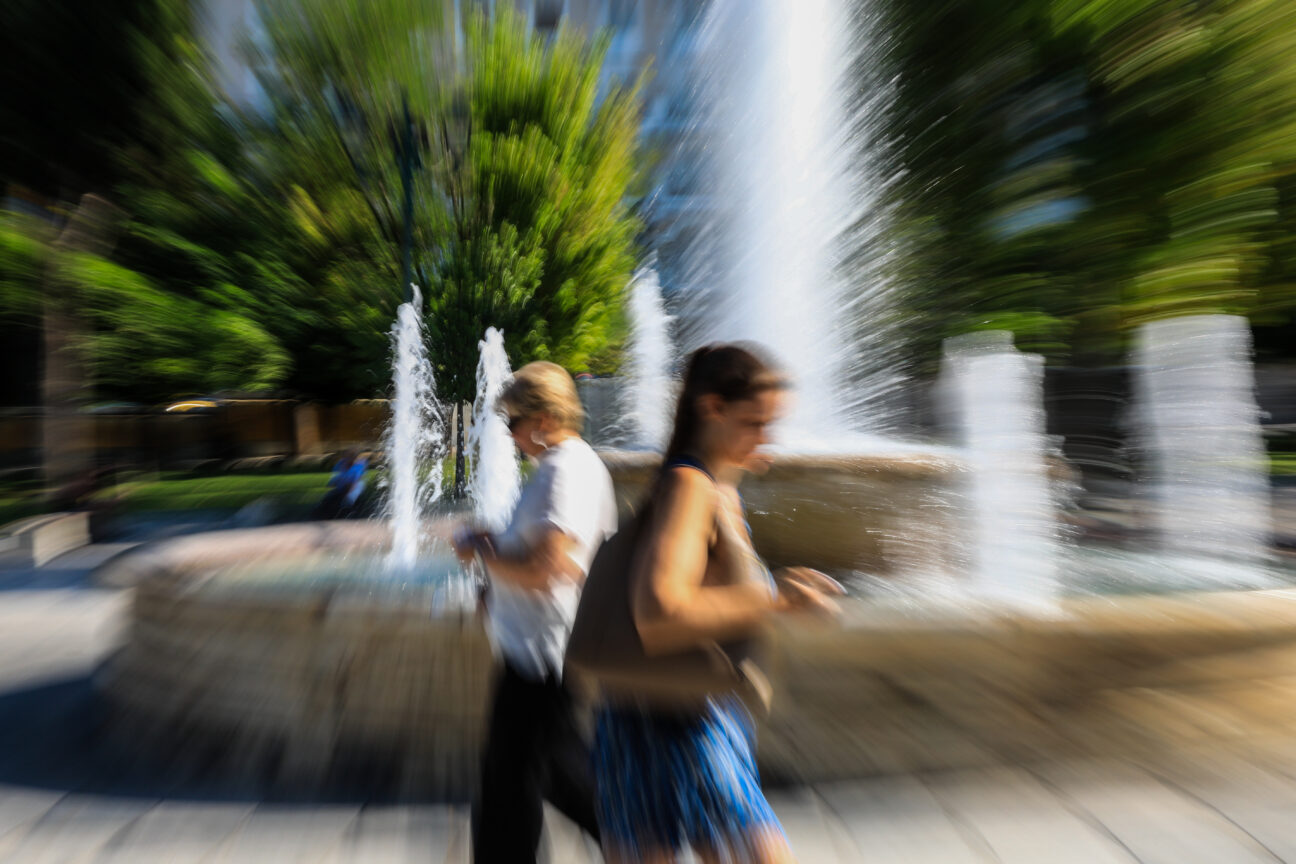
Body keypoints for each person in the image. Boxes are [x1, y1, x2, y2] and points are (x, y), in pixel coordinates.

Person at [593, 344, 842, 864]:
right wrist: (775, 600)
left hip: (675, 705)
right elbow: (658, 613)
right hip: (675, 718)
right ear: (712, 408)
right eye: (754, 422)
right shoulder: (690, 486)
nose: (766, 438)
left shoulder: (711, 485)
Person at [453, 361, 617, 864]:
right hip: (539, 652)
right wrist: (494, 558)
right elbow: (539, 556)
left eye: (513, 422)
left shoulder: (565, 471)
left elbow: (553, 567)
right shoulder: (562, 467)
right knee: (542, 777)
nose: (509, 434)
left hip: (543, 656)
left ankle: (642, 842)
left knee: (514, 783)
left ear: (543, 418)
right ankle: (638, 842)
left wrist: (482, 555)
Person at [313, 449, 367, 519]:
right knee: (329, 497)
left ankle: (348, 510)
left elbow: (356, 481)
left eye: (351, 456)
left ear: (354, 457)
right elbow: (336, 477)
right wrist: (333, 483)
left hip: (355, 486)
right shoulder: (340, 464)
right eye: (347, 456)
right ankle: (322, 512)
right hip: (343, 485)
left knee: (348, 499)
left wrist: (348, 489)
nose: (348, 458)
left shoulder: (358, 466)